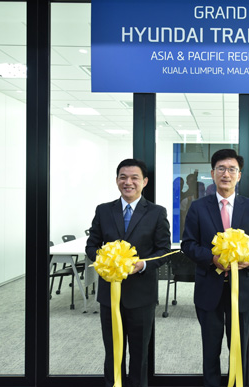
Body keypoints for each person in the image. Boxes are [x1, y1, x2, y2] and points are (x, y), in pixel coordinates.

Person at [181, 149, 249, 387]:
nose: (226, 174)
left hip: (243, 291)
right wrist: (212, 258)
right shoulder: (199, 208)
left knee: (240, 348)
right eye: (221, 169)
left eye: (232, 169)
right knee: (210, 350)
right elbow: (188, 245)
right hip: (209, 289)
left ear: (239, 175)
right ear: (212, 173)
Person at [86, 158, 171, 387]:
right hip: (109, 295)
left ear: (144, 182)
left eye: (134, 178)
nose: (128, 182)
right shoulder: (104, 211)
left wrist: (141, 265)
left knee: (139, 355)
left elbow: (163, 250)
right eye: (123, 177)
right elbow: (91, 246)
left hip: (141, 294)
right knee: (112, 352)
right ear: (116, 181)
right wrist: (106, 261)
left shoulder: (156, 212)